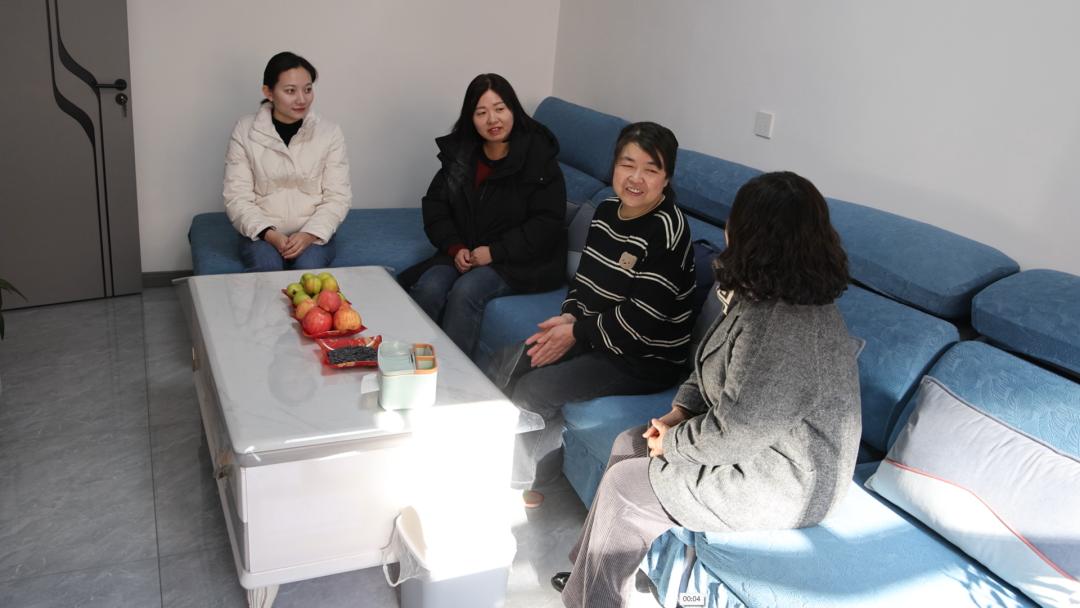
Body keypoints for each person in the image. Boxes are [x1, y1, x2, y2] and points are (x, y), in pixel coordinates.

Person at [550, 171, 863, 607]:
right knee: (628, 443)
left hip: (784, 480)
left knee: (626, 486)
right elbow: (709, 365)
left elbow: (739, 433)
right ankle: (591, 582)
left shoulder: (788, 327)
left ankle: (590, 600)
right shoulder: (760, 292)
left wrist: (673, 444)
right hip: (749, 446)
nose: (726, 228)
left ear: (756, 236)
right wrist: (678, 414)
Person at [509, 122, 697, 508]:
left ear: (666, 178)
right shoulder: (607, 210)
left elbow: (641, 321)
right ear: (613, 166)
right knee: (514, 361)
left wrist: (577, 332)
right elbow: (584, 283)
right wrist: (568, 319)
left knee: (534, 390)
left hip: (643, 359)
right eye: (628, 165)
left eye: (650, 169)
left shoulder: (668, 230)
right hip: (598, 334)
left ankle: (523, 484)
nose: (636, 178)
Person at [399, 73, 567, 356]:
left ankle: (453, 374)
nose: (492, 120)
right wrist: (455, 247)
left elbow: (547, 222)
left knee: (467, 290)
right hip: (466, 251)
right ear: (471, 118)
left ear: (513, 110)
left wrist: (495, 252)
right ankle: (411, 361)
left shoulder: (538, 157)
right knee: (430, 286)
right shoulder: (462, 154)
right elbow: (436, 206)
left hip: (520, 261)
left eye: (500, 109)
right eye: (481, 112)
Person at [224, 51, 351, 272]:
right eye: (291, 91)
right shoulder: (244, 130)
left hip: (313, 232)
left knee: (309, 269)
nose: (302, 99)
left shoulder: (330, 133)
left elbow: (338, 197)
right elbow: (237, 197)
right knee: (267, 266)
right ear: (268, 92)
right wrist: (270, 234)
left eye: (308, 89)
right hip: (262, 233)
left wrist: (309, 234)